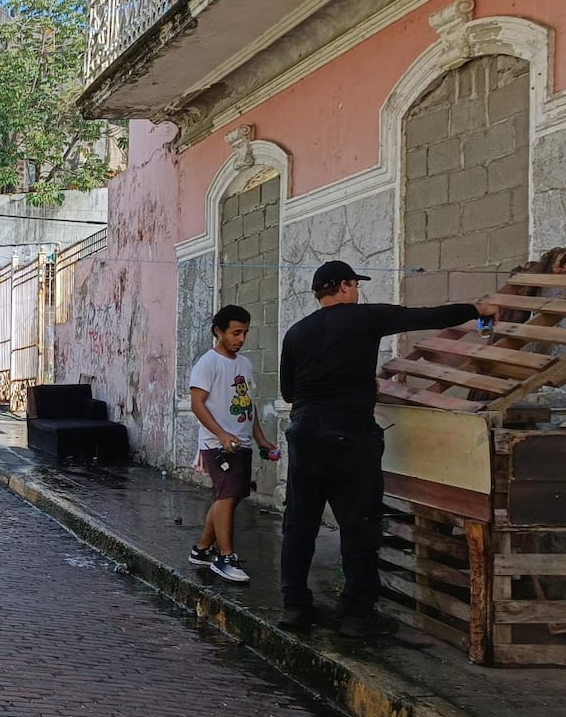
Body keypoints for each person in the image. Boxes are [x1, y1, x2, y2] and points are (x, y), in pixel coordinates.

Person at [278, 260, 498, 637]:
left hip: (304, 437)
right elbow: (426, 316)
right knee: (359, 526)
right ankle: (356, 615)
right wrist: (477, 309)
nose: (357, 291)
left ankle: (295, 608)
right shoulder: (365, 317)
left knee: (299, 525)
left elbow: (288, 392)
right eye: (355, 285)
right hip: (350, 436)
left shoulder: (296, 332)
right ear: (344, 286)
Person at [187, 305, 275, 583]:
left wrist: (260, 438)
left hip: (242, 443)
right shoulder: (208, 363)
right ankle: (225, 557)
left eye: (245, 333)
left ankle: (202, 549)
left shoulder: (245, 365)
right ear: (219, 332)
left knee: (231, 497)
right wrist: (222, 434)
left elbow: (248, 404)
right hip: (218, 445)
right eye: (236, 333)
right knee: (227, 496)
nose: (241, 339)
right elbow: (197, 405)